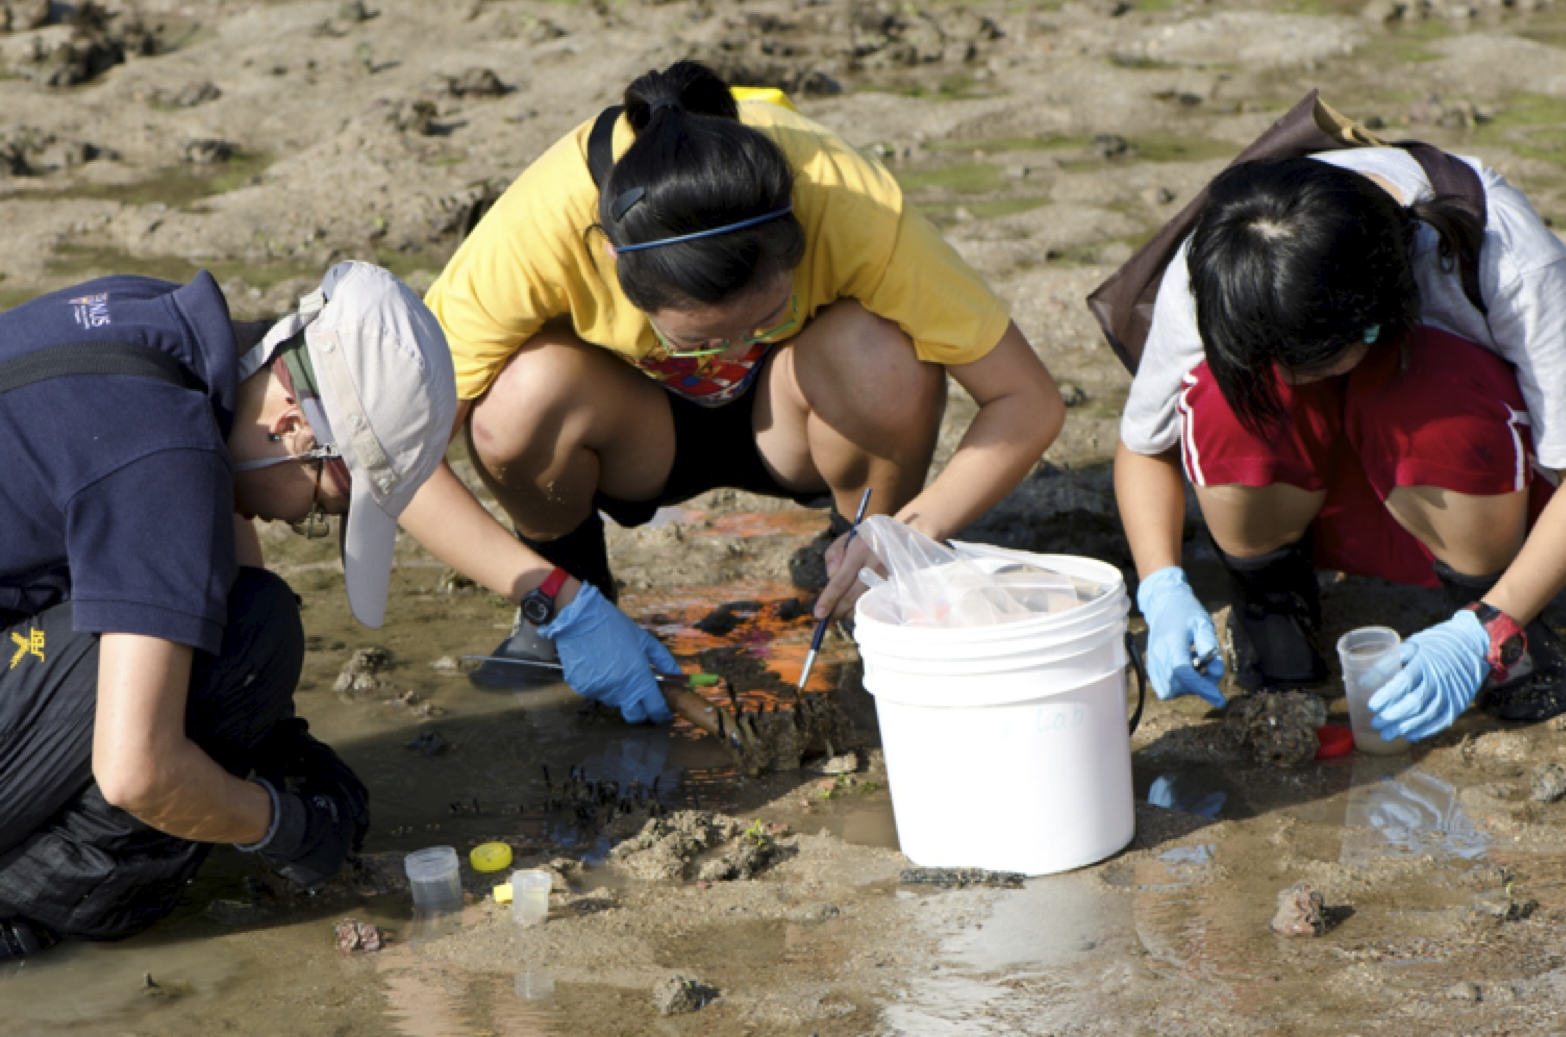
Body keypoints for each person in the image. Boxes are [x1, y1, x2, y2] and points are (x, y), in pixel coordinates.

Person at [402, 59, 1064, 721]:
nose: (728, 353)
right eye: (698, 338)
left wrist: (905, 533)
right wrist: (556, 601)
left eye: (766, 318)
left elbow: (1026, 400)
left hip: (798, 416)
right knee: (517, 399)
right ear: (611, 258)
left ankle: (861, 582)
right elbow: (398, 461)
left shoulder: (843, 197)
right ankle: (572, 598)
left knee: (883, 356)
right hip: (633, 431)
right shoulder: (538, 228)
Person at [0, 261, 457, 959]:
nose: (299, 521)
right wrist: (281, 825)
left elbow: (207, 533)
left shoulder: (161, 328)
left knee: (237, 630)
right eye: (320, 507)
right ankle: (27, 896)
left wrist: (278, 739)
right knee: (242, 648)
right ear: (294, 426)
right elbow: (135, 771)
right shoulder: (164, 451)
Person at [1115, 148, 1566, 743]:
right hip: (1311, 501)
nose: (1288, 379)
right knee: (1227, 396)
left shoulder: (1509, 259)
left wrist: (1485, 628)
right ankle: (1273, 605)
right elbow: (1142, 446)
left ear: (1373, 319)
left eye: (1307, 364)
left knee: (1432, 382)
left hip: (1479, 497)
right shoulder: (1227, 264)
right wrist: (1161, 587)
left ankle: (1496, 610)